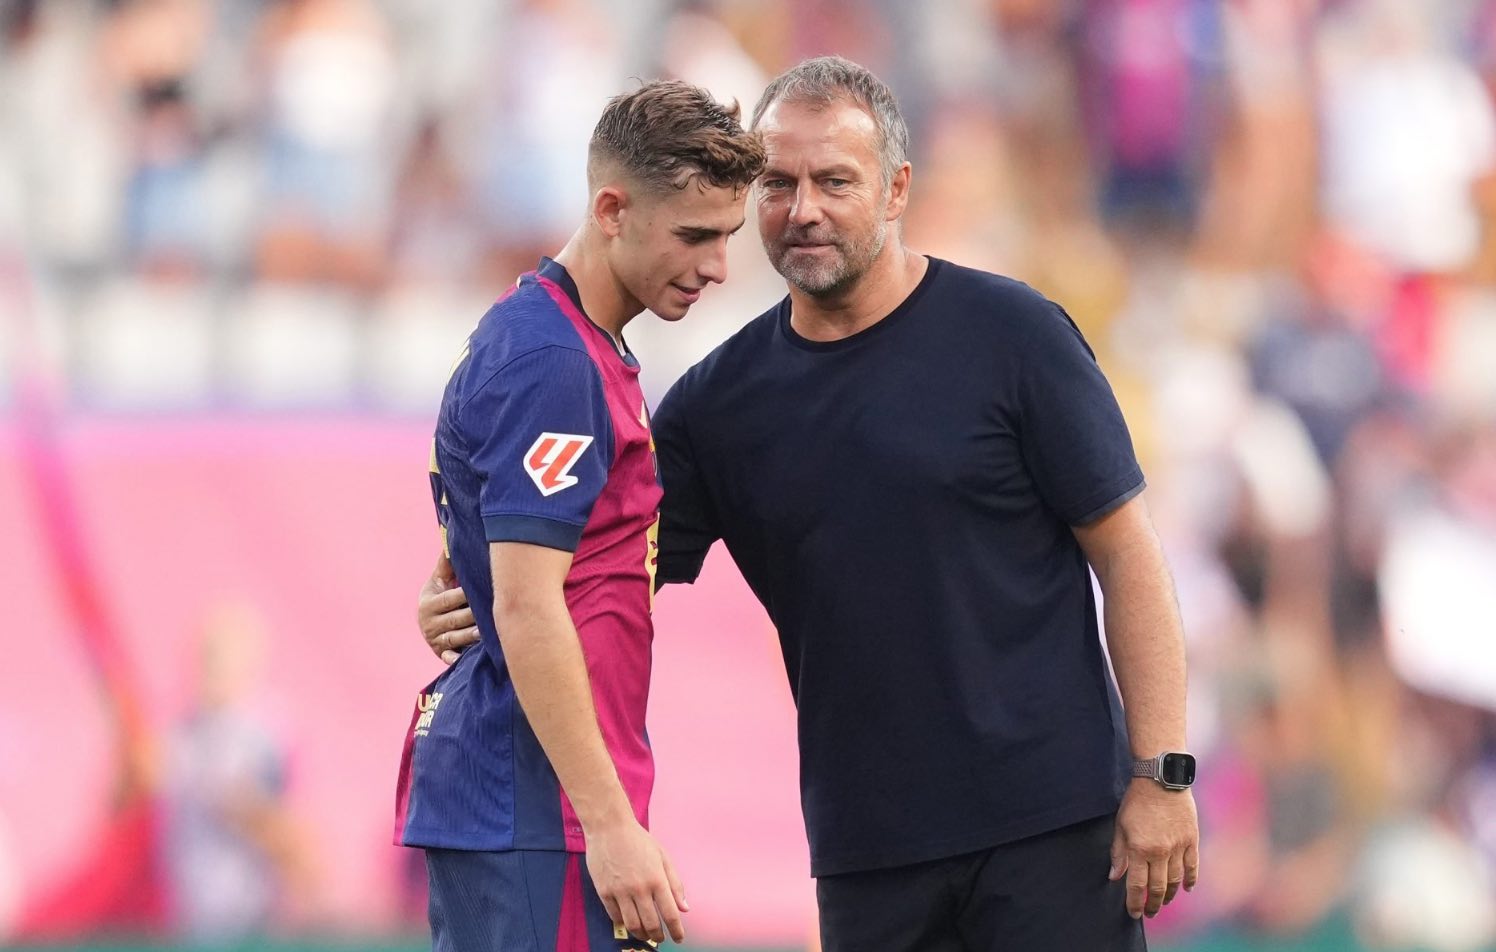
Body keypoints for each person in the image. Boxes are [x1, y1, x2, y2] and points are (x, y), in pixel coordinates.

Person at [420, 56, 1198, 951]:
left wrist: (1162, 772)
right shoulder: (715, 405)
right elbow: (590, 564)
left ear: (897, 187)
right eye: (779, 185)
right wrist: (467, 586)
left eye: (836, 180)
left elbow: (1129, 553)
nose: (804, 209)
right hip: (869, 855)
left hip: (1054, 832)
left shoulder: (1015, 335)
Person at [395, 80, 765, 951]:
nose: (716, 266)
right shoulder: (554, 364)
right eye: (695, 235)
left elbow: (508, 571)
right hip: (535, 802)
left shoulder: (564, 342)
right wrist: (607, 825)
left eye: (727, 238)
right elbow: (528, 604)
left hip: (537, 799)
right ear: (611, 208)